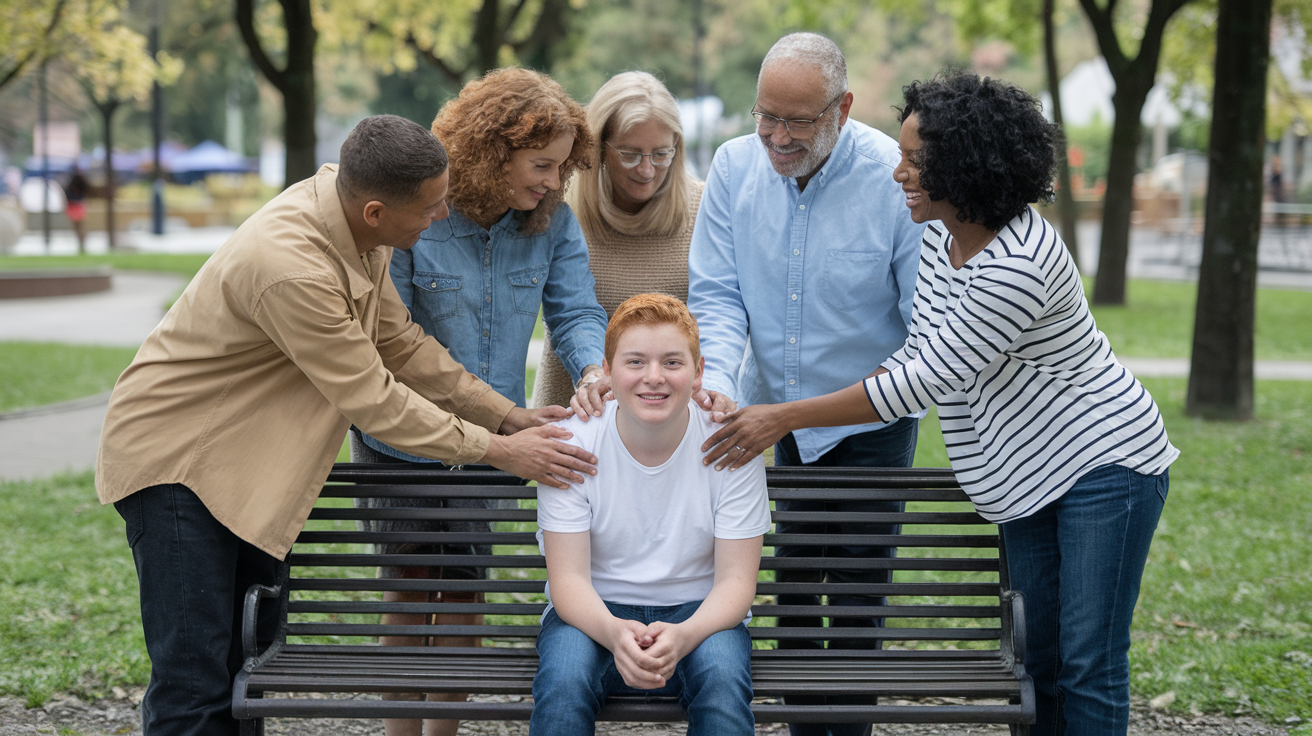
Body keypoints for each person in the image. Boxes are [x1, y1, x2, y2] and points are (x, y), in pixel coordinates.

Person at [703, 71, 1180, 736]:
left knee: (1088, 661)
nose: (898, 172)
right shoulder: (939, 232)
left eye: (915, 161)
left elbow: (924, 379)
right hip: (1027, 476)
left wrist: (782, 416)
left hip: (1105, 468)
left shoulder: (1020, 263)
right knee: (1038, 661)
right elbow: (920, 348)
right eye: (900, 154)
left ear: (968, 166)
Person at [96, 114, 598, 736]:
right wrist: (498, 450)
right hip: (178, 463)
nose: (441, 218)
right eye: (432, 208)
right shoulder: (292, 268)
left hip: (242, 468)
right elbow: (376, 401)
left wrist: (507, 412)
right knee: (194, 683)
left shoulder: (360, 224)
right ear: (377, 212)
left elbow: (402, 344)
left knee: (242, 669)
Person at [348, 68, 608, 736]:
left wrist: (593, 368)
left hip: (497, 442)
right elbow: (394, 341)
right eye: (541, 165)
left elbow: (576, 312)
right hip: (402, 441)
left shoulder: (551, 224)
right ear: (493, 153)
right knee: (410, 598)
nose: (552, 182)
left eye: (560, 168)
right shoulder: (420, 220)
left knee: (463, 595)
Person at [685, 32, 925, 736]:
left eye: (798, 121)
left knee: (854, 601)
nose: (778, 137)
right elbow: (719, 295)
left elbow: (922, 328)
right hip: (766, 419)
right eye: (767, 116)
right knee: (788, 592)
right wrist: (722, 384)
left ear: (842, 108)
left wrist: (803, 412)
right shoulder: (733, 167)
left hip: (870, 418)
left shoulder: (894, 176)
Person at [530, 293, 771, 736]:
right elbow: (567, 582)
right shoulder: (570, 444)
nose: (654, 378)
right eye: (636, 362)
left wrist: (686, 634)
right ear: (606, 370)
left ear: (699, 372)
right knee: (564, 682)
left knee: (721, 682)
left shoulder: (731, 445)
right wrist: (613, 631)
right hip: (591, 610)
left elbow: (737, 582)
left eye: (673, 363)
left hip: (702, 612)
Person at [531, 71, 706, 410]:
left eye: (661, 154)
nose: (646, 170)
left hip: (669, 419)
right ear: (598, 148)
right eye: (630, 153)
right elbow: (568, 315)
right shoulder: (558, 206)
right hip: (574, 412)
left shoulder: (705, 210)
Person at [65, 168, 89, 252]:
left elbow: (67, 197)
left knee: (76, 227)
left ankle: (81, 242)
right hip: (79, 206)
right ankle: (82, 242)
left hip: (73, 207)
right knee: (81, 226)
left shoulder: (70, 186)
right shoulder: (82, 185)